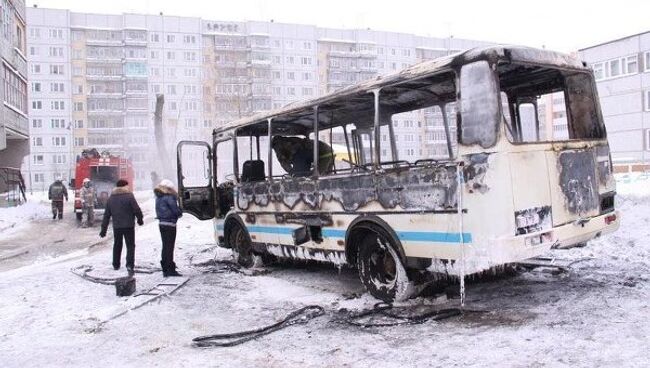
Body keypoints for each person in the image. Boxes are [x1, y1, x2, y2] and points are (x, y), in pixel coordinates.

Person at [99, 179, 144, 275]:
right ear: (125, 186)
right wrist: (140, 219)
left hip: (117, 226)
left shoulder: (111, 198)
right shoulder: (129, 196)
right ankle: (129, 265)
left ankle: (116, 264)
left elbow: (107, 215)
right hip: (129, 226)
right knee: (130, 245)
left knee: (117, 245)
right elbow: (136, 209)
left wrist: (103, 229)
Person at [154, 179, 183, 277]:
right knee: (170, 247)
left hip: (162, 224)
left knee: (165, 246)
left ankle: (165, 268)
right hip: (170, 224)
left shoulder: (158, 197)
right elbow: (176, 211)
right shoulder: (169, 197)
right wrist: (180, 212)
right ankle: (170, 269)